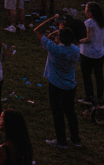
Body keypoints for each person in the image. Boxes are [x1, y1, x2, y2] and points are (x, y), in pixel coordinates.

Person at [35, 14, 81, 149]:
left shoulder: (54, 49)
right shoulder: (75, 50)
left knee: (57, 113)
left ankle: (61, 141)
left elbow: (37, 31)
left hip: (55, 85)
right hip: (70, 85)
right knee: (70, 112)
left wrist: (50, 20)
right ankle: (75, 139)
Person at [79, 2, 104, 104]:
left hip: (88, 54)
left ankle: (89, 97)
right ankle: (99, 97)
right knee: (99, 76)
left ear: (90, 12)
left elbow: (89, 38)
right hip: (99, 53)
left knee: (87, 76)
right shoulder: (101, 23)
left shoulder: (89, 22)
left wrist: (78, 40)